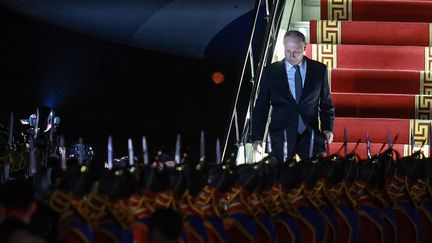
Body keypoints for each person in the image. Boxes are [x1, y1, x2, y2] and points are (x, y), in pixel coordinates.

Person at [252, 30, 335, 162]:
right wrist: (257, 137)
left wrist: (327, 128)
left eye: (296, 51)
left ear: (305, 48)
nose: (292, 55)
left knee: (311, 179)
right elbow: (261, 106)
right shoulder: (271, 72)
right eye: (288, 51)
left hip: (310, 136)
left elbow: (326, 104)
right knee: (280, 180)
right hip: (280, 137)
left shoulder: (319, 70)